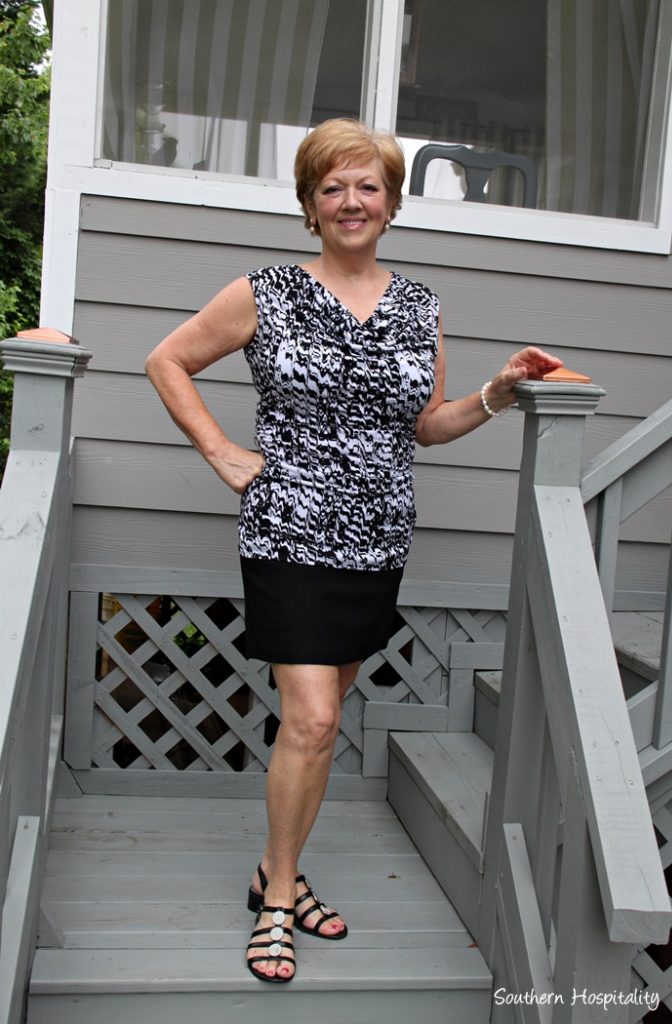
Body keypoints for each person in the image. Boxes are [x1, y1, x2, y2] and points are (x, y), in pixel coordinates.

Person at [145, 118, 562, 984]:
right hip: (290, 528)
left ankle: (276, 867)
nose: (350, 200)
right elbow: (167, 361)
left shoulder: (419, 306)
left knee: (318, 726)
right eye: (331, 186)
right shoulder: (264, 291)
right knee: (314, 719)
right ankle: (275, 901)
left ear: (391, 201)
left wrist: (496, 389)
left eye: (367, 185)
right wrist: (224, 453)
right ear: (309, 203)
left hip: (378, 535)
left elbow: (426, 424)